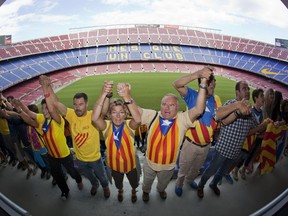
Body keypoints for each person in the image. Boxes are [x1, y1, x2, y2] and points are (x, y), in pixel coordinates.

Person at [139, 67, 213, 202]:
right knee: (147, 181)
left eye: (171, 105)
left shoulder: (182, 119)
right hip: (149, 163)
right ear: (160, 106)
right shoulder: (153, 116)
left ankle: (160, 190)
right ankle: (146, 191)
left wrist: (203, 84)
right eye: (164, 104)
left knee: (163, 183)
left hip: (168, 166)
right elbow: (137, 113)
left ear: (177, 108)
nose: (167, 107)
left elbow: (198, 110)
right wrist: (126, 97)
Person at [39, 75, 110, 198]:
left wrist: (107, 95)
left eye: (81, 104)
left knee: (102, 176)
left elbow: (103, 110)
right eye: (75, 104)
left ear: (86, 104)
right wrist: (48, 85)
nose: (77, 108)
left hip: (95, 159)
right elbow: (55, 103)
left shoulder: (93, 116)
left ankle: (105, 187)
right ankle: (95, 184)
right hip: (80, 159)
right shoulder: (71, 114)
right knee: (89, 176)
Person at [197, 80, 269, 199]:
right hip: (223, 149)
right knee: (211, 169)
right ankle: (201, 186)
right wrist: (237, 111)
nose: (247, 91)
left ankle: (213, 184)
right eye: (244, 89)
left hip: (235, 151)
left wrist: (261, 127)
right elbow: (220, 118)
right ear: (237, 92)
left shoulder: (250, 111)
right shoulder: (230, 103)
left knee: (222, 171)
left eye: (248, 89)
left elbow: (250, 131)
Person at [13, 98, 83, 199]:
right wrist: (19, 108)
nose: (44, 111)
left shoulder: (58, 120)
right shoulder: (42, 118)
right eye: (43, 108)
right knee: (57, 174)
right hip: (51, 155)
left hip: (64, 154)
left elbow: (47, 113)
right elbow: (28, 115)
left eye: (47, 108)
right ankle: (65, 191)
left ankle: (79, 180)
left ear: (52, 109)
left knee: (72, 171)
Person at [172, 67, 223, 197]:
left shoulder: (216, 99)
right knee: (183, 168)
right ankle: (179, 184)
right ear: (204, 85)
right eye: (210, 85)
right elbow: (176, 84)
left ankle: (189, 181)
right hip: (191, 144)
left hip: (206, 145)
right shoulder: (192, 95)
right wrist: (197, 74)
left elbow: (217, 120)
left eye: (214, 85)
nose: (213, 88)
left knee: (196, 169)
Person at [92, 81, 141, 203]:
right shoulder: (107, 127)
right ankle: (120, 191)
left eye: (121, 112)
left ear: (126, 114)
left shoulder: (129, 126)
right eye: (114, 112)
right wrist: (103, 94)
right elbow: (94, 118)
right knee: (118, 184)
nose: (118, 116)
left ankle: (134, 191)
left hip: (131, 166)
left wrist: (126, 96)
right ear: (109, 114)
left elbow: (138, 119)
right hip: (114, 167)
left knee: (134, 183)